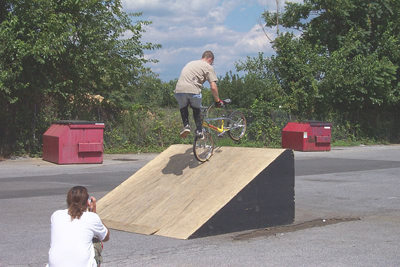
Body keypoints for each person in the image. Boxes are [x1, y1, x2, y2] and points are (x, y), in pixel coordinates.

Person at [48, 186, 110, 267]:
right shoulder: (92, 217)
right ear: (88, 202)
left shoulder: (56, 215)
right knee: (97, 241)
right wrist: (94, 213)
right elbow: (106, 237)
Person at [174, 50, 223, 138]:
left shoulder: (191, 63)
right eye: (212, 63)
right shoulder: (208, 67)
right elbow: (213, 86)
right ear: (210, 59)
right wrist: (217, 100)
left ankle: (186, 126)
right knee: (196, 109)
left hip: (179, 90)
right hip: (193, 90)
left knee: (183, 107)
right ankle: (200, 131)